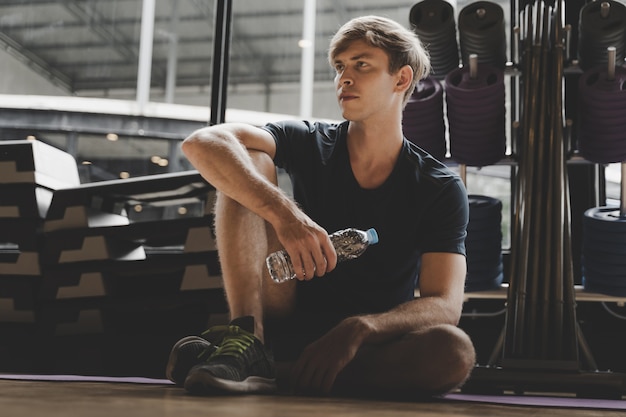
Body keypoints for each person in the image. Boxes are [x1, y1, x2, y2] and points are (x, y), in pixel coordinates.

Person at [166, 15, 475, 399]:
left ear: (401, 79)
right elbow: (202, 142)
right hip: (285, 307)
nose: (344, 78)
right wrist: (286, 214)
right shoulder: (310, 141)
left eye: (362, 64)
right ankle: (247, 338)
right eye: (340, 67)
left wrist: (359, 327)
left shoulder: (438, 186)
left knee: (454, 352)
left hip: (365, 345)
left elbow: (445, 305)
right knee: (246, 159)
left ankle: (280, 372)